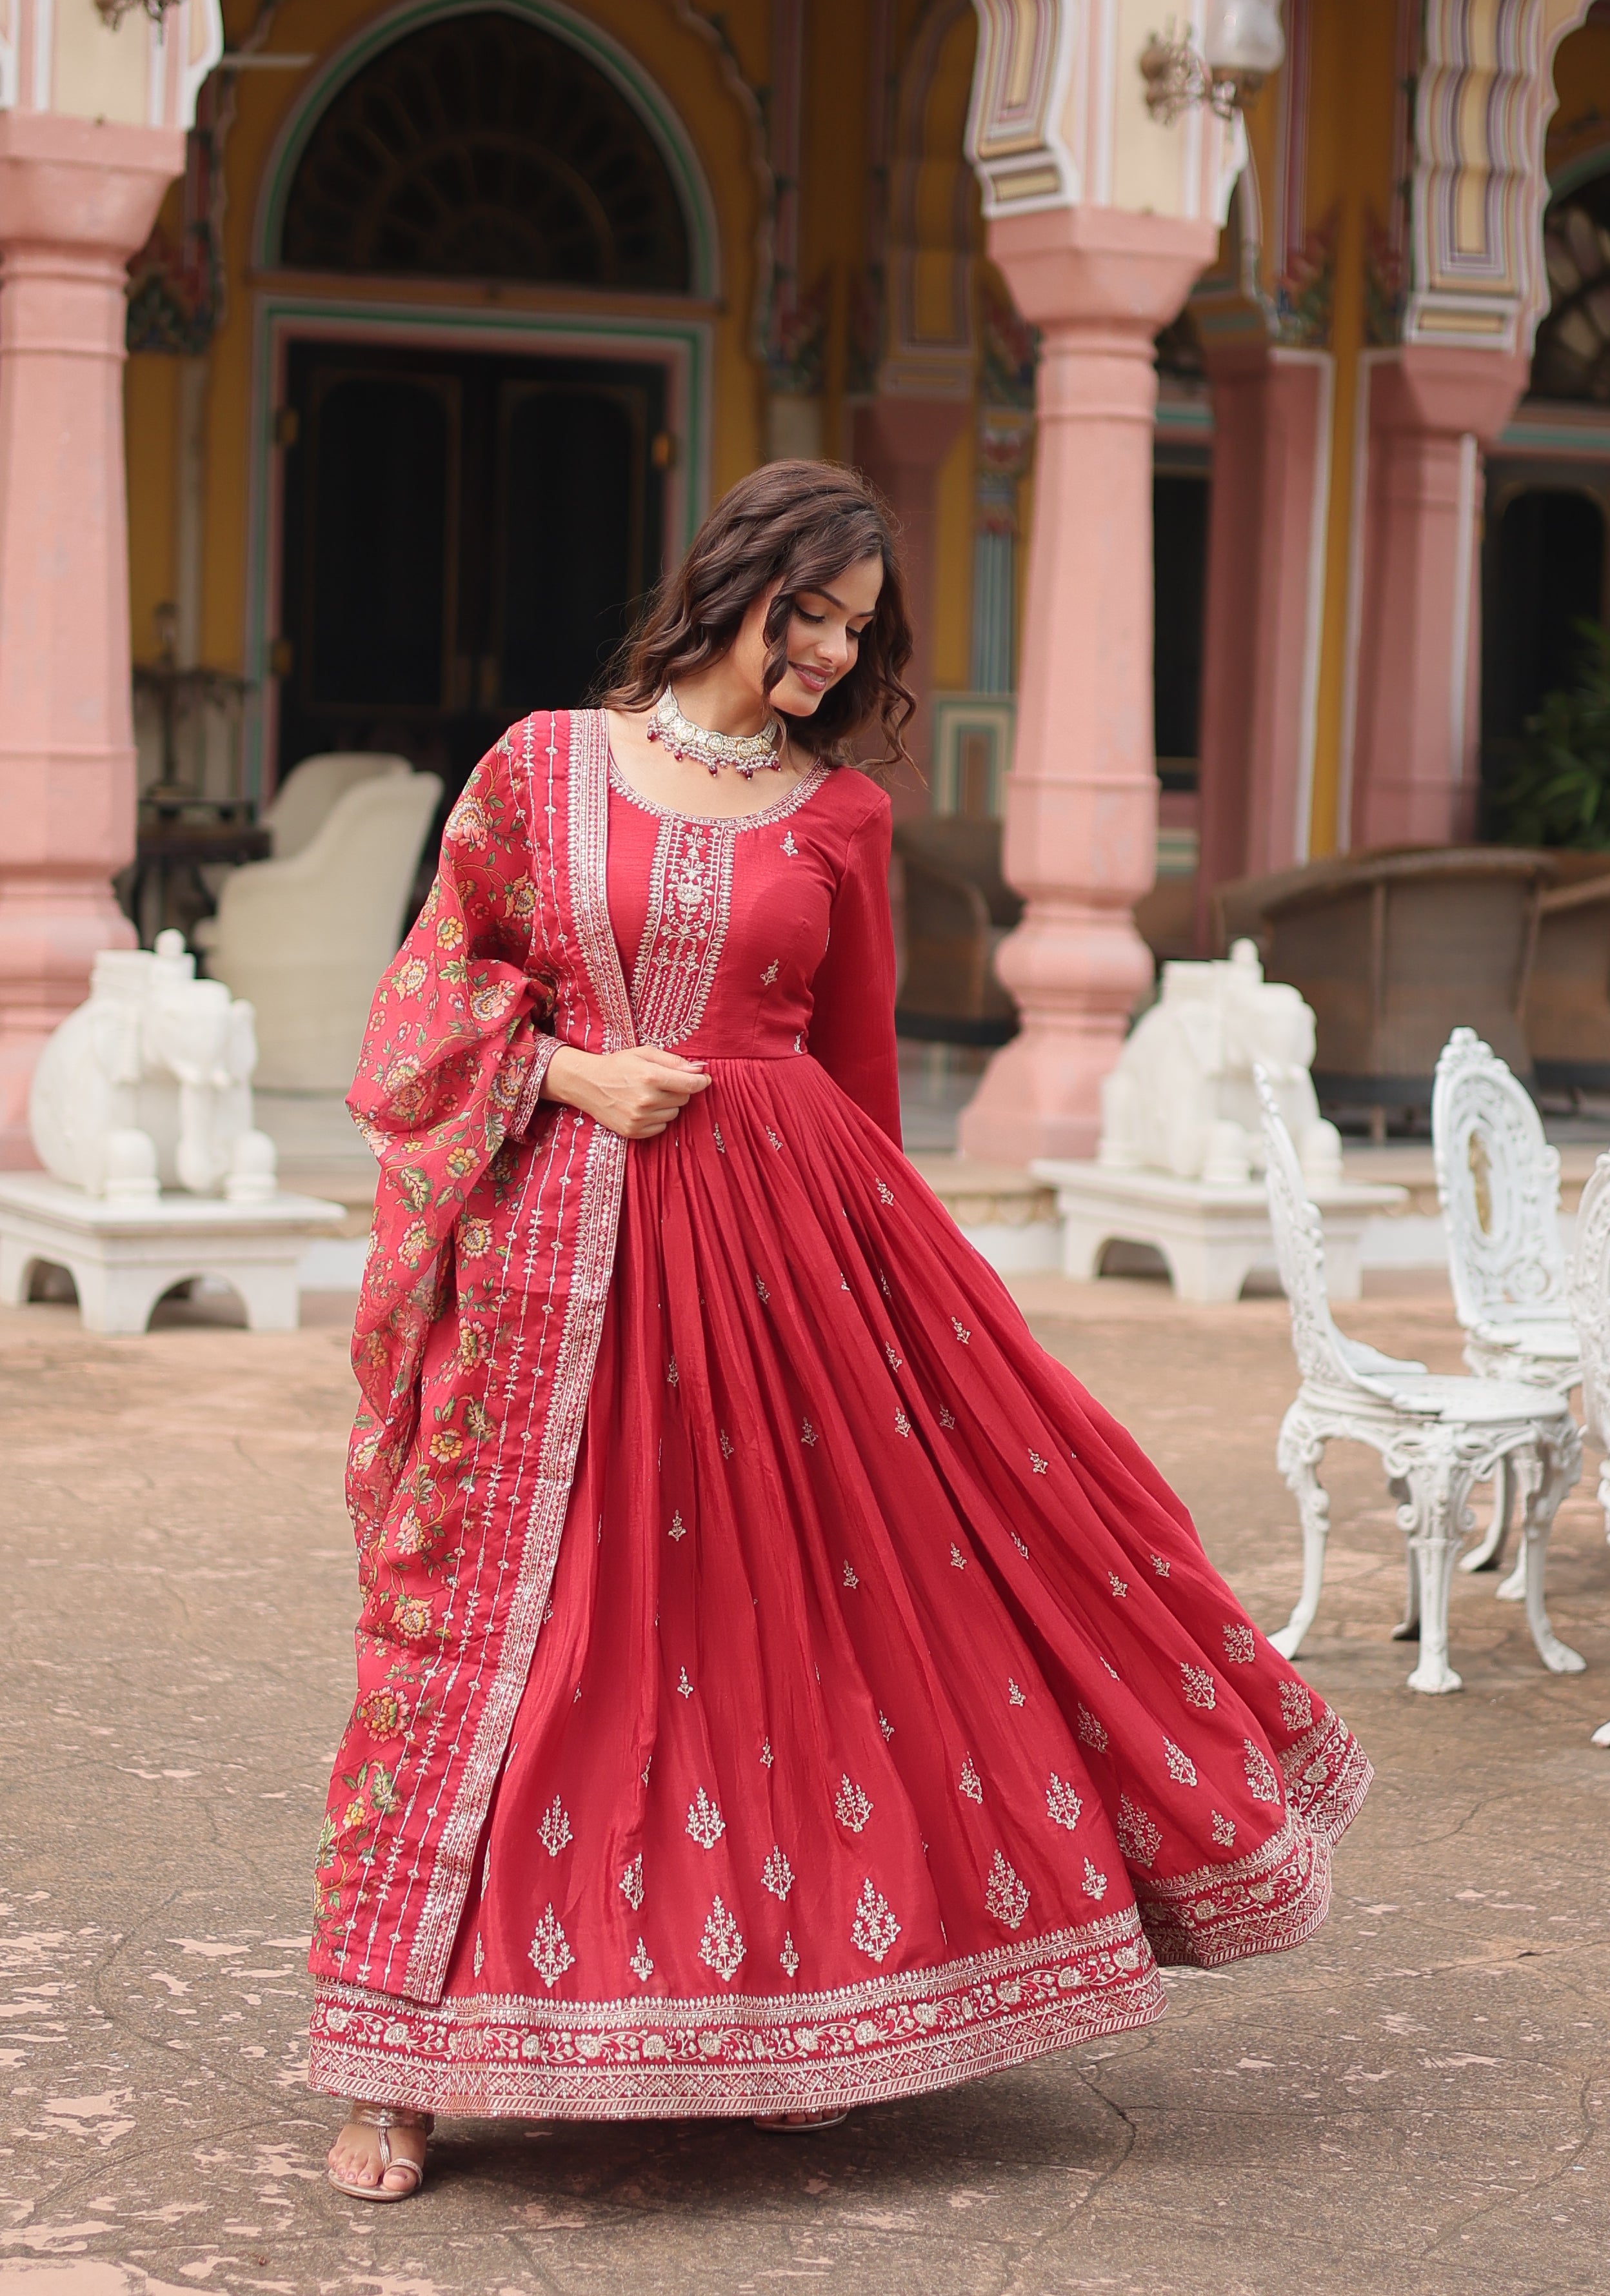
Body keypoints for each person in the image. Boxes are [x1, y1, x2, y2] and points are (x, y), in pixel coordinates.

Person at [315, 459, 1369, 2200]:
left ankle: (805, 2010)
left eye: (854, 633)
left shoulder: (843, 817)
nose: (822, 655)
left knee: (775, 1632)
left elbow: (859, 1087)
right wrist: (570, 1072)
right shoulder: (543, 770)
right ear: (732, 578)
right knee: (519, 1640)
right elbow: (433, 990)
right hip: (564, 1262)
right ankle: (395, 2065)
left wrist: (897, 1322)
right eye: (806, 612)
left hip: (794, 1267)